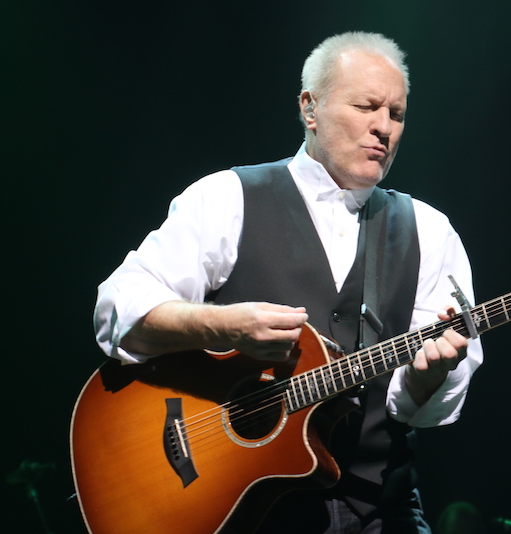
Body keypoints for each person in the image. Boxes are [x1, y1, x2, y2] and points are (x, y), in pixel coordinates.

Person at [94, 31, 483, 534]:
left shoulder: (430, 231)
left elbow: (425, 407)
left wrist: (428, 379)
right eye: (366, 106)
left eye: (397, 114)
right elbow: (117, 311)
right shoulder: (228, 197)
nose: (383, 127)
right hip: (240, 509)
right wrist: (221, 327)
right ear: (310, 108)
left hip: (379, 509)